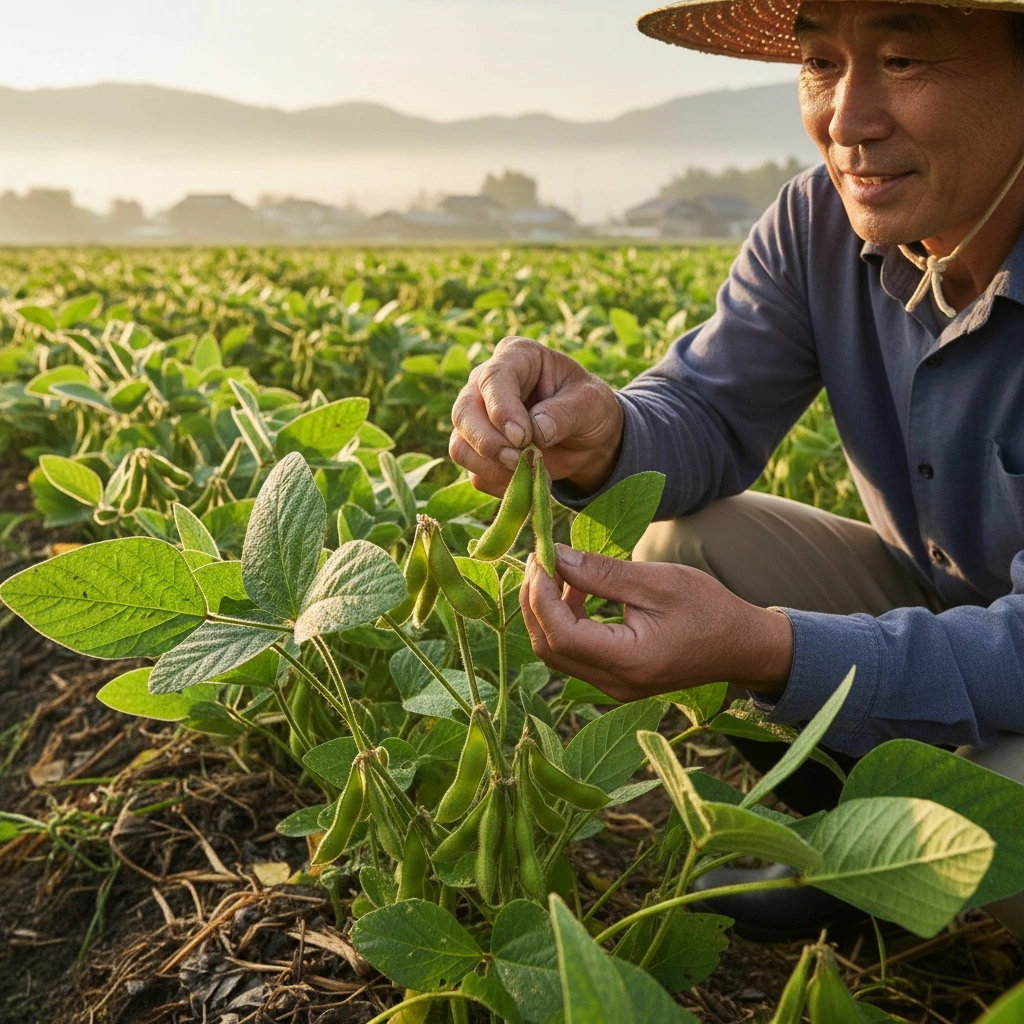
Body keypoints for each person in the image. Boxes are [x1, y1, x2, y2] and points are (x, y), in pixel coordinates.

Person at [449, 1, 1024, 940]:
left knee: (1002, 826)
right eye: (821, 64)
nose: (846, 121)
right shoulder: (819, 221)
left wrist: (768, 647)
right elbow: (707, 408)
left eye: (904, 60)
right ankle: (865, 855)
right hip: (952, 604)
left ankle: (892, 866)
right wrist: (603, 433)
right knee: (695, 541)